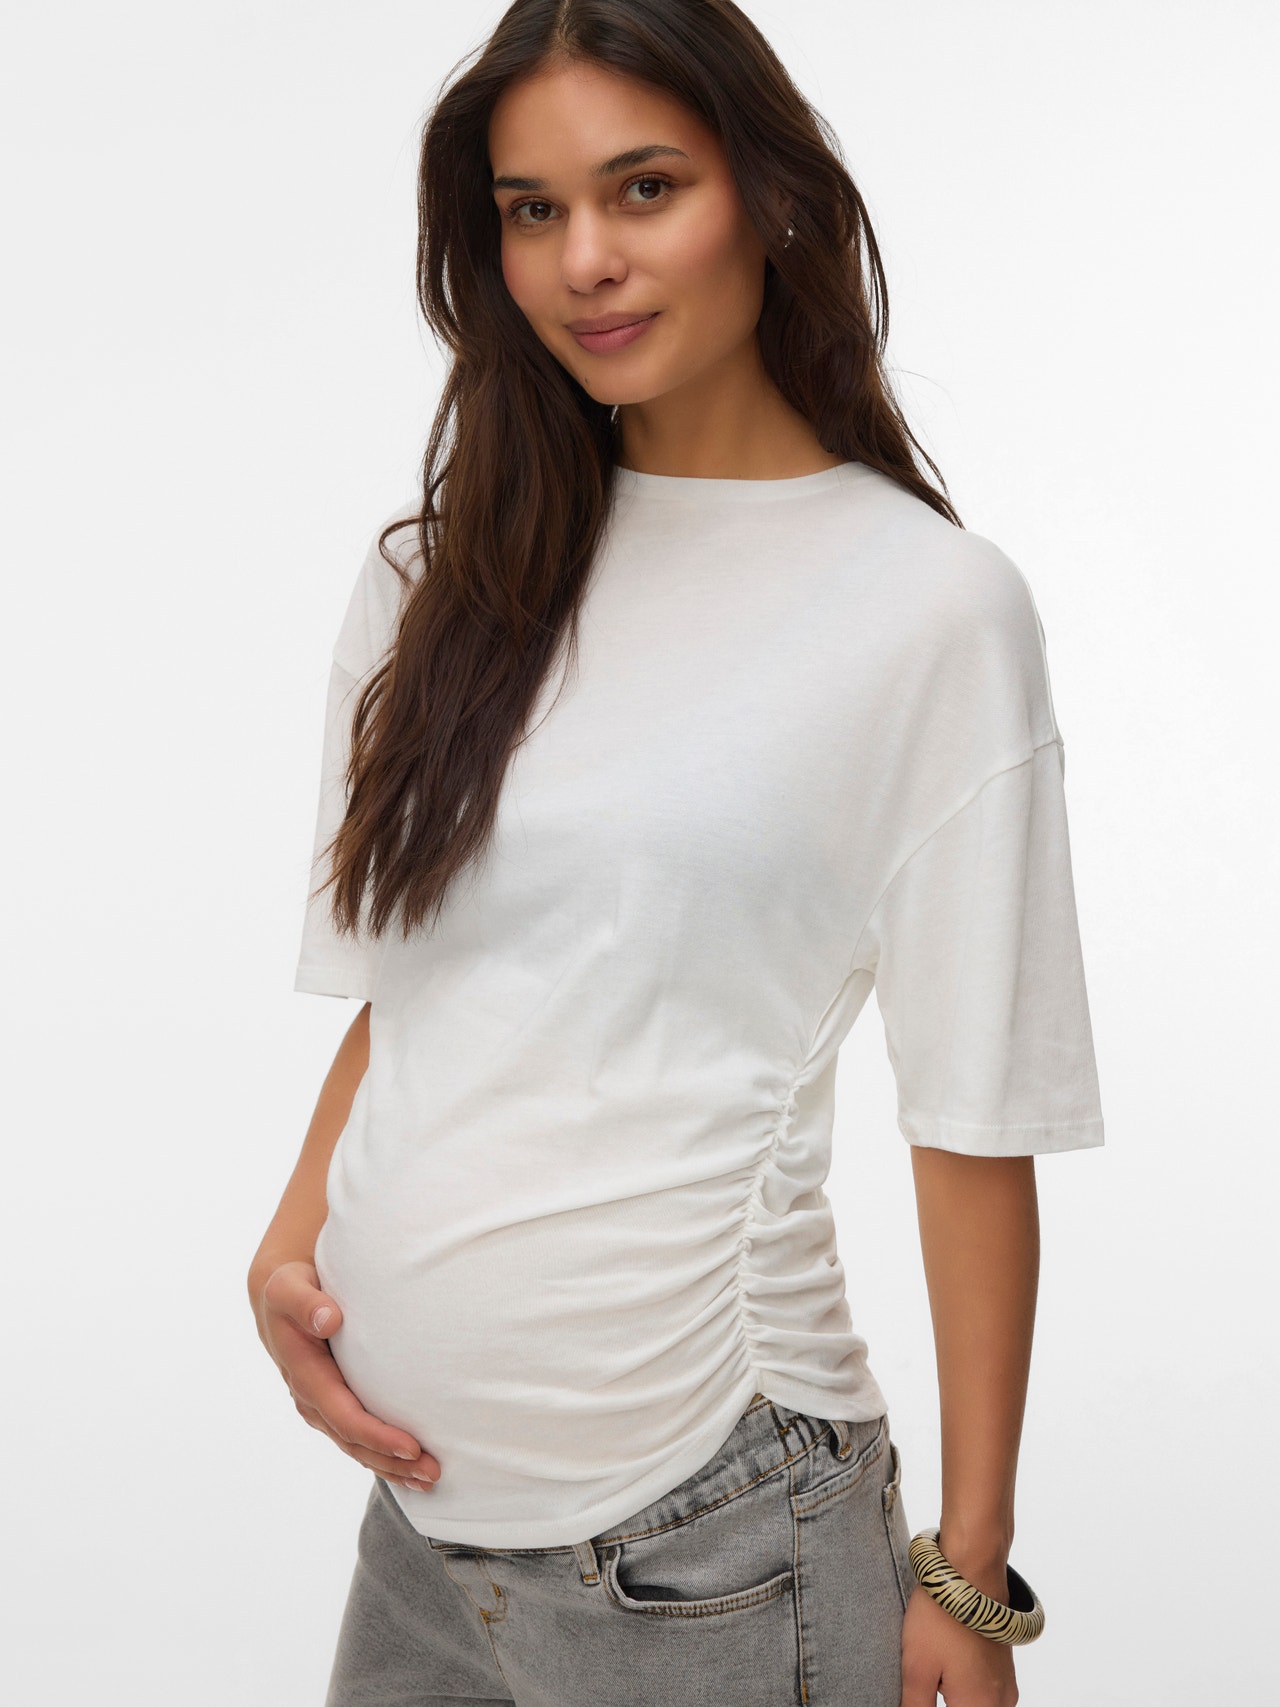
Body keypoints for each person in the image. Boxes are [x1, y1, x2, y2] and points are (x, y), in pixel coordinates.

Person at [247, 3, 1104, 1704]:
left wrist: (970, 1564)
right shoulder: (440, 577)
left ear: (768, 196)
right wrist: (290, 1249)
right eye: (532, 209)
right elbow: (430, 987)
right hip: (422, 1533)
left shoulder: (925, 610)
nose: (585, 261)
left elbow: (973, 1122)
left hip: (711, 1531)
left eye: (644, 187)